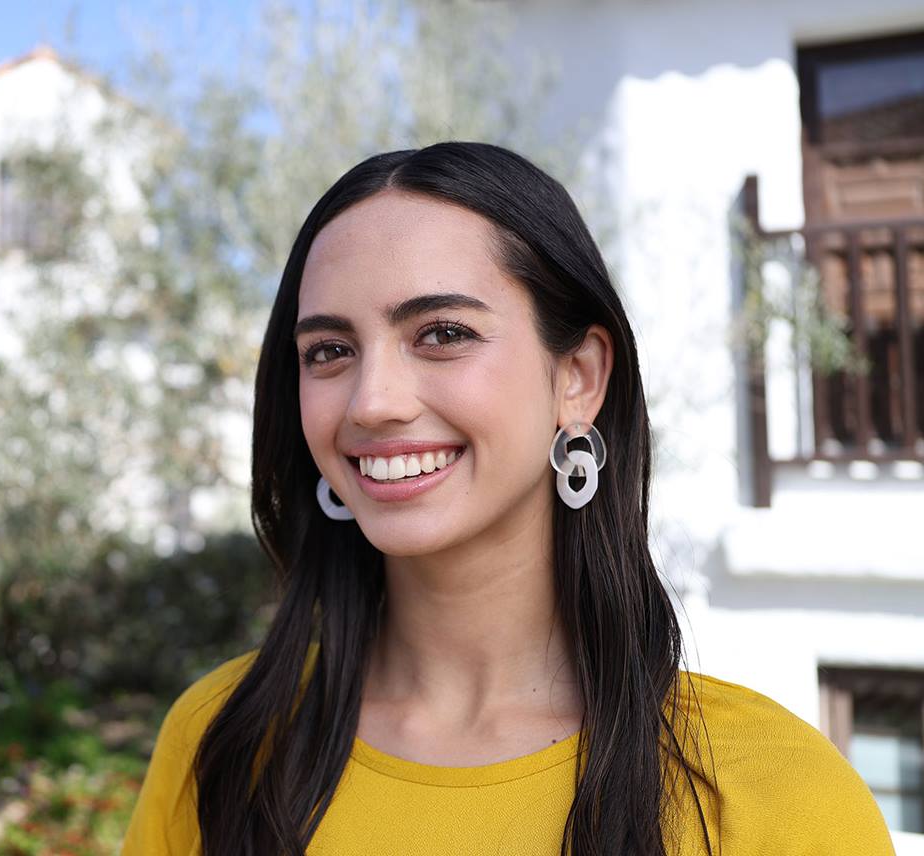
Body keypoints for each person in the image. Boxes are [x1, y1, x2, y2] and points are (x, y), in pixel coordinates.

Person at [120, 142, 894, 855]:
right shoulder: (222, 742)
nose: (372, 401)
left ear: (579, 376)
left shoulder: (773, 797)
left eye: (442, 333)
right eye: (329, 351)